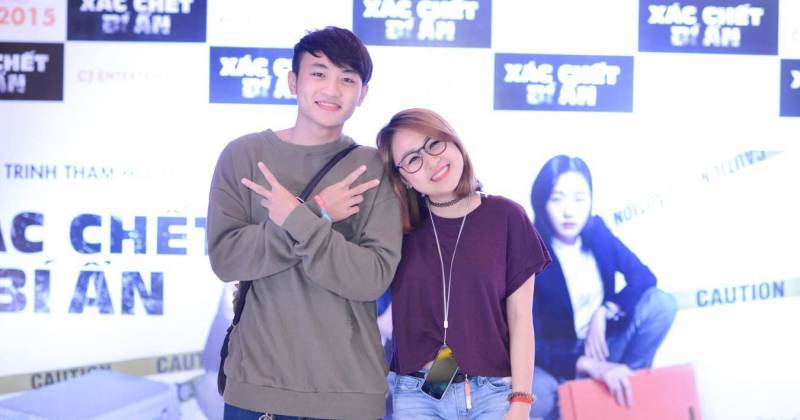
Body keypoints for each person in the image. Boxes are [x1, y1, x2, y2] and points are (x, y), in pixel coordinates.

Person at [207, 26, 403, 420]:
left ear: (363, 93)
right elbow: (227, 260)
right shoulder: (243, 155)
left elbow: (372, 278)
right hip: (258, 389)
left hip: (349, 392)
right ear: (293, 81)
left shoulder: (374, 167)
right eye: (318, 73)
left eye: (347, 79)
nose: (332, 89)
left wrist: (298, 218)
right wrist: (318, 211)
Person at [375, 108, 551, 419]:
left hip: (493, 394)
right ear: (404, 178)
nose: (431, 161)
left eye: (434, 144)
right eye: (413, 159)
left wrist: (521, 401)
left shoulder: (507, 217)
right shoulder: (397, 229)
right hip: (419, 396)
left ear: (454, 142)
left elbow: (521, 319)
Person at [528, 155, 678, 420]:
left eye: (579, 198)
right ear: (542, 201)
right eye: (557, 198)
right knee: (535, 393)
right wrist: (588, 365)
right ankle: (584, 395)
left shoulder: (597, 231)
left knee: (661, 303)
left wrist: (606, 309)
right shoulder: (528, 250)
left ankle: (624, 389)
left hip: (604, 346)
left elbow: (643, 276)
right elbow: (531, 343)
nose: (569, 211)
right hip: (561, 359)